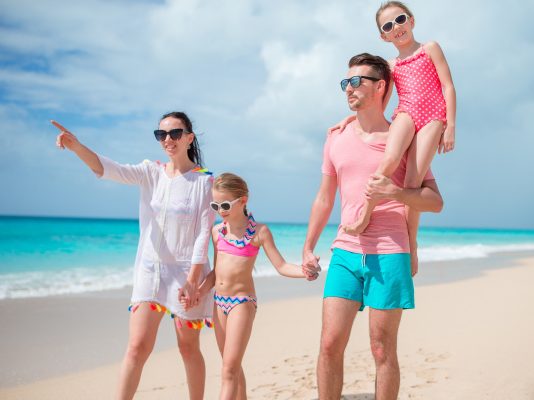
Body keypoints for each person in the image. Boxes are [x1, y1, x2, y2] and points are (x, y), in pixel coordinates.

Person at [302, 53, 443, 399]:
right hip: (345, 252)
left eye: (356, 81)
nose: (348, 89)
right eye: (344, 83)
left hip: (389, 252)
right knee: (330, 344)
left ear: (380, 87)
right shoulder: (336, 136)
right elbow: (324, 197)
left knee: (382, 349)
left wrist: (395, 191)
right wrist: (308, 246)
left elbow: (434, 201)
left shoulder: (403, 137)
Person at [52, 111, 215, 400]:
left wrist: (192, 282)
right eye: (161, 134)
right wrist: (77, 147)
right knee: (137, 348)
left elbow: (204, 234)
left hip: (187, 276)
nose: (168, 140)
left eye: (175, 133)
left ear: (189, 138)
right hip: (150, 273)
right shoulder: (150, 171)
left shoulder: (204, 181)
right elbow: (108, 169)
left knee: (188, 348)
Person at [334, 1, 456, 276]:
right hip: (407, 112)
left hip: (434, 115)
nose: (396, 28)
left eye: (399, 20)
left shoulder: (430, 48)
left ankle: (411, 244)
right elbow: (380, 103)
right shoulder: (391, 65)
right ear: (383, 36)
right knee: (388, 160)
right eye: (388, 26)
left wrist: (450, 127)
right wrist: (351, 119)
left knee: (412, 182)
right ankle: (364, 214)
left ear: (411, 20)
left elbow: (448, 85)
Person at [181, 172, 319, 400]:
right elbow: (216, 273)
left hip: (241, 304)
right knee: (231, 365)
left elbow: (282, 265)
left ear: (243, 200)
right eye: (215, 205)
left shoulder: (259, 232)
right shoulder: (217, 232)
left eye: (225, 204)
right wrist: (200, 292)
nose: (220, 210)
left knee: (229, 370)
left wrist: (304, 271)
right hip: (219, 303)